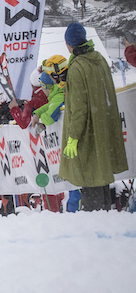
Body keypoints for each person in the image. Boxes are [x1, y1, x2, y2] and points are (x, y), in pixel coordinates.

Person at [59, 22, 128, 211]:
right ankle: (105, 217)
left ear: (69, 44)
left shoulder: (77, 67)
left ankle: (94, 224)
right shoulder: (99, 59)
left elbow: (79, 109)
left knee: (90, 178)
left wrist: (73, 137)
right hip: (103, 128)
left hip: (88, 133)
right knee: (101, 177)